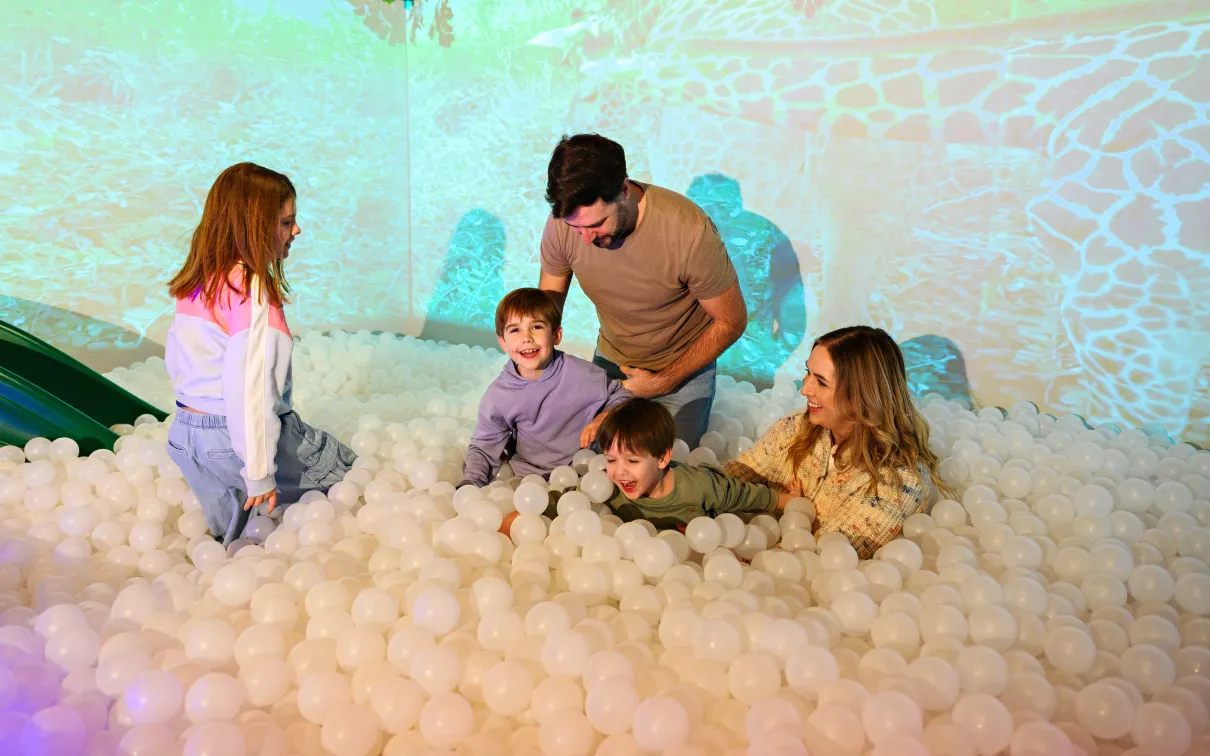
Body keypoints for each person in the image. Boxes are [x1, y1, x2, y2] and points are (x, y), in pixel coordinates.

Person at [164, 163, 355, 545]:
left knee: (235, 541)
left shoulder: (200, 281)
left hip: (186, 435)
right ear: (253, 227)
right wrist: (258, 470)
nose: (296, 231)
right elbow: (249, 390)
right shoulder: (252, 291)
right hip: (232, 437)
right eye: (287, 223)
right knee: (355, 486)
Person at [538, 134, 748, 448]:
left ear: (623, 191)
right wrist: (536, 367)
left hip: (682, 371)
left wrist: (663, 381)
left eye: (596, 225)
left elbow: (731, 321)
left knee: (666, 476)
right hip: (613, 361)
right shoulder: (563, 224)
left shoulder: (688, 233)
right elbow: (546, 306)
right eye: (575, 227)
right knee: (585, 462)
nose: (584, 238)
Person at [725, 326, 943, 558]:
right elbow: (725, 483)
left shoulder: (900, 481)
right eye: (808, 373)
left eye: (821, 382)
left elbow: (822, 559)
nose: (805, 389)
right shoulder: (794, 428)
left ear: (860, 396)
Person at [461, 288, 630, 488]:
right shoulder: (500, 395)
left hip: (582, 475)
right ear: (503, 342)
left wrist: (603, 417)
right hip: (527, 480)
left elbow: (622, 395)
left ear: (556, 335)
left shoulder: (581, 374)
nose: (527, 338)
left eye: (537, 327)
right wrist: (472, 483)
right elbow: (483, 445)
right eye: (515, 330)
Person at [595, 398, 797, 530]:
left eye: (632, 460)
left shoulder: (701, 486)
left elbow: (742, 495)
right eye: (611, 459)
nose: (620, 471)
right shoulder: (606, 490)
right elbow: (572, 497)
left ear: (663, 458)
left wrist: (786, 500)